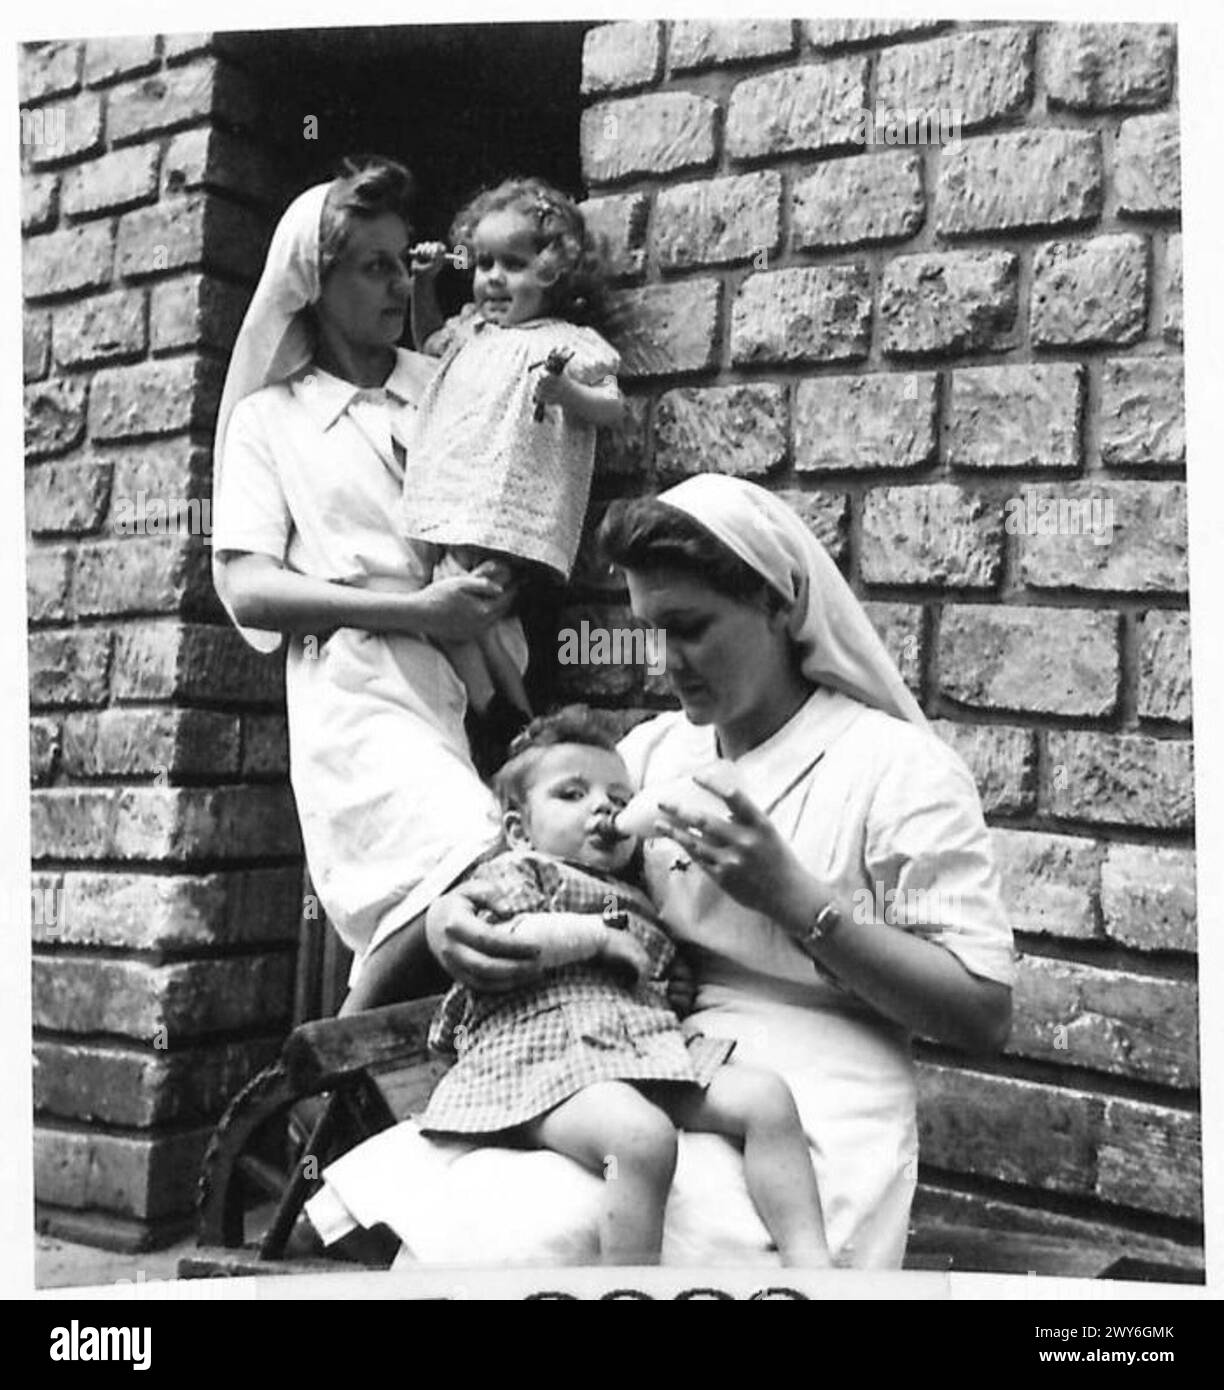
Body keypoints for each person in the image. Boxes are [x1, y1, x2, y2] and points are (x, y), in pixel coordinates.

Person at [307, 474, 1015, 1268]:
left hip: (814, 1089)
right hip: (642, 1048)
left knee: (552, 1229)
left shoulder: (896, 768)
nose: (667, 661)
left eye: (691, 628)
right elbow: (541, 867)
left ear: (779, 605)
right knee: (473, 1206)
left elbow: (982, 1015)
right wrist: (450, 923)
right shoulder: (652, 754)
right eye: (651, 630)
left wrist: (798, 902)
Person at [210, 156, 512, 1008]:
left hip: (460, 680)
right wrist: (413, 608)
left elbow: (514, 500)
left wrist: (493, 585)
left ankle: (343, 1091)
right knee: (468, 850)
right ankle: (333, 1073)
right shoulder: (272, 421)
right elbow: (250, 590)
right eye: (373, 266)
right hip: (350, 694)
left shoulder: (442, 387)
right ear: (316, 282)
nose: (394, 285)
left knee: (462, 897)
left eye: (399, 262)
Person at [416, 706, 827, 1266]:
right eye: (572, 794)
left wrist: (670, 982)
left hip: (635, 1050)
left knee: (767, 1100)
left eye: (618, 794)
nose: (603, 806)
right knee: (641, 1139)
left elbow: (652, 969)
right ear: (519, 830)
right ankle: (629, 1286)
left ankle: (816, 1270)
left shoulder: (636, 893)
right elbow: (503, 936)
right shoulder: (521, 873)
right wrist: (593, 939)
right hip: (542, 1062)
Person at [402, 177, 623, 725]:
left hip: (512, 510)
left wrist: (565, 392)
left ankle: (513, 715)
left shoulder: (562, 341)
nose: (493, 279)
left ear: (552, 270)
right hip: (460, 500)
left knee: (480, 602)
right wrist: (422, 287)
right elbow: (427, 345)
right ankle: (503, 716)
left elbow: (610, 405)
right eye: (483, 264)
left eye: (513, 264)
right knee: (450, 603)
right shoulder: (470, 332)